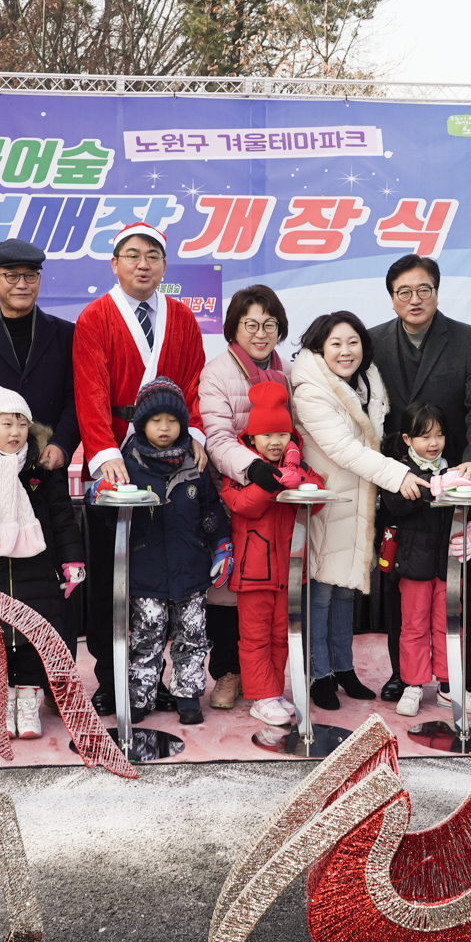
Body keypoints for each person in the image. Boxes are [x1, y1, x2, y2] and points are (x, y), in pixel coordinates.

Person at [72, 221, 208, 690]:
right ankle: (111, 678)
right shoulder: (95, 317)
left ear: (165, 266)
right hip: (116, 449)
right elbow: (89, 391)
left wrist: (196, 434)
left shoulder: (183, 317)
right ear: (115, 263)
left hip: (171, 455)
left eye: (152, 256)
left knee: (166, 566)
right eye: (132, 255)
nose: (142, 264)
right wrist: (103, 451)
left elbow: (193, 382)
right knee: (112, 568)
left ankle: (160, 679)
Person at [365, 255, 471, 701]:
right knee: (403, 587)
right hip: (397, 482)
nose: (415, 299)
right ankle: (404, 675)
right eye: (404, 292)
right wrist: (387, 469)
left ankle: (456, 678)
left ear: (437, 293)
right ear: (392, 298)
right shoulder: (371, 342)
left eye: (423, 289)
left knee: (461, 588)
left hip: (456, 481)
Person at [291, 310, 418, 710]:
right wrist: (398, 476)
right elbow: (344, 450)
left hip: (359, 501)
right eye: (336, 344)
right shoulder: (310, 390)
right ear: (319, 348)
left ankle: (343, 668)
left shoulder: (367, 383)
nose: (346, 351)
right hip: (326, 502)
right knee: (321, 593)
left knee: (346, 592)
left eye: (353, 342)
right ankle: (318, 674)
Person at [0, 389, 86, 739]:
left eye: (22, 425)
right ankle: (3, 702)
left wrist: (72, 559)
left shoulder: (41, 466)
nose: (15, 432)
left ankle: (27, 703)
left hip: (36, 570)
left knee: (32, 638)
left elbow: (62, 516)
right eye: (6, 424)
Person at [103, 378, 220, 724]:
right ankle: (140, 697)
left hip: (191, 569)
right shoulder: (128, 463)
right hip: (146, 570)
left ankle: (188, 695)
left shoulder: (194, 461)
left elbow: (211, 510)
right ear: (142, 424)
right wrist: (104, 498)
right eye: (156, 421)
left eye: (172, 420)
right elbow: (109, 519)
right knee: (145, 638)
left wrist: (221, 545)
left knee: (192, 635)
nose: (165, 427)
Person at [196, 285, 291, 710]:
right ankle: (227, 672)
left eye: (269, 324)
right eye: (251, 324)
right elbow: (216, 436)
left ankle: (266, 682)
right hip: (229, 490)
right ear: (233, 328)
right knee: (225, 587)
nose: (261, 333)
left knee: (266, 593)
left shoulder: (286, 371)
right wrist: (252, 468)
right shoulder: (217, 371)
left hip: (274, 500)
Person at [375, 401, 471, 718]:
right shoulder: (398, 470)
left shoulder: (457, 468)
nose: (433, 443)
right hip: (413, 563)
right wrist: (436, 486)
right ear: (408, 439)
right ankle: (413, 684)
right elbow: (396, 504)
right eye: (424, 436)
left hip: (450, 564)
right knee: (413, 626)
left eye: (439, 435)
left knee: (450, 623)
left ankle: (450, 687)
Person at [216, 381, 311, 727]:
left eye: (282, 434)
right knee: (255, 637)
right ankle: (261, 697)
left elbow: (315, 500)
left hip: (289, 573)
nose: (275, 442)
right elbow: (241, 505)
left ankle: (274, 692)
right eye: (267, 435)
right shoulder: (241, 471)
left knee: (281, 636)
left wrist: (298, 477)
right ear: (252, 438)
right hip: (253, 574)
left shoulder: (298, 465)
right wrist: (269, 483)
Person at [0, 239, 79, 470]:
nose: (22, 285)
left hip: (46, 464)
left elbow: (76, 398)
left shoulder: (66, 333)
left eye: (30, 276)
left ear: (39, 280)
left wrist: (61, 444)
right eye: (12, 276)